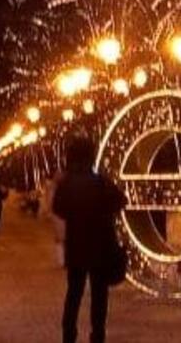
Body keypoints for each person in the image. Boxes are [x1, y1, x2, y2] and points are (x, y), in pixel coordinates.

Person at [51, 137, 125, 343]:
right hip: (100, 249)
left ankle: (69, 336)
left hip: (76, 248)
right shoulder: (100, 182)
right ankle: (98, 335)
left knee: (73, 295)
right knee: (99, 297)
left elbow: (58, 208)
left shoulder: (66, 183)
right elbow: (120, 201)